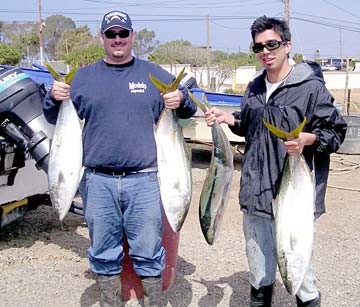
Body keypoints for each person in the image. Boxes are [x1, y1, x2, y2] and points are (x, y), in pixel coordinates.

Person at [43, 10, 197, 307]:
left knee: (150, 249)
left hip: (144, 181)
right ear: (101, 37)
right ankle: (110, 302)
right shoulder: (83, 78)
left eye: (122, 33)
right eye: (111, 34)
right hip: (97, 181)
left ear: (132, 37)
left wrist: (181, 99)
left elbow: (188, 110)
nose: (117, 39)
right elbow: (52, 115)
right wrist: (54, 95)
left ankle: (153, 302)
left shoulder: (153, 75)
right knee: (102, 250)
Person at [204, 16, 347, 307]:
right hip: (256, 194)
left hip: (294, 198)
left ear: (287, 45)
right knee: (259, 271)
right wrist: (229, 118)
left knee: (299, 270)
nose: (265, 51)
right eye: (258, 47)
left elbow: (335, 132)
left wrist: (307, 140)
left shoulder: (310, 88)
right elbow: (251, 125)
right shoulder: (254, 88)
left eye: (272, 44)